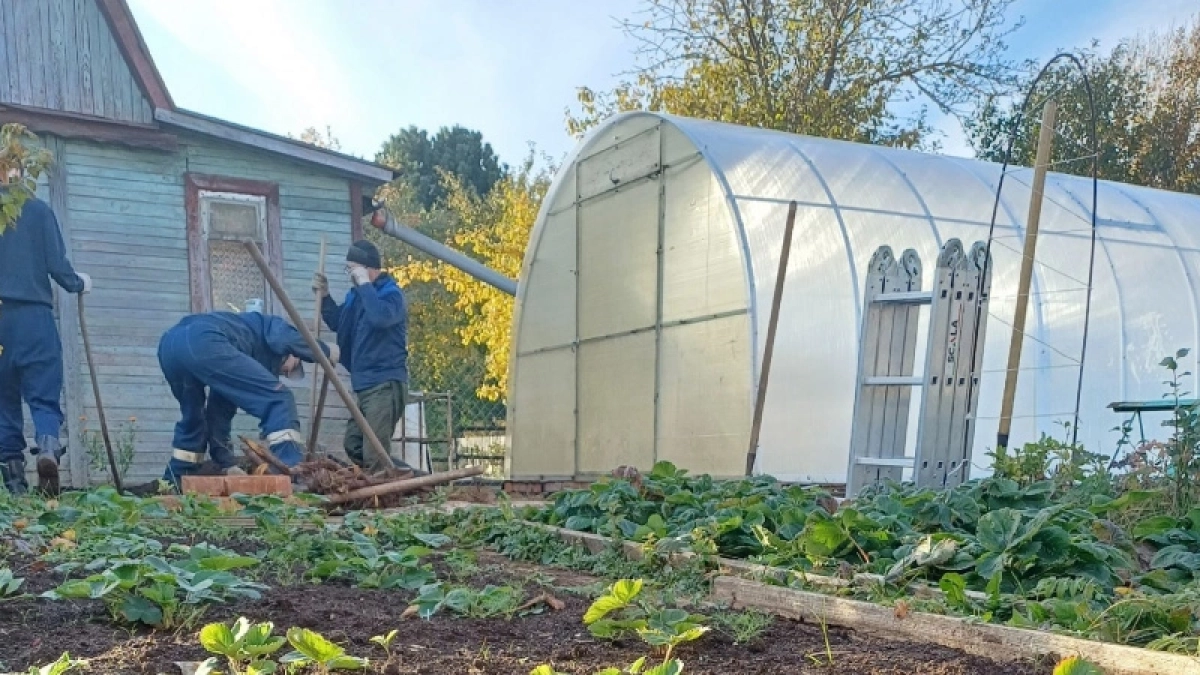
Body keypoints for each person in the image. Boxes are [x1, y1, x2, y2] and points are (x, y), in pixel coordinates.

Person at [157, 310, 339, 488]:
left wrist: (227, 464)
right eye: (290, 368)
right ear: (293, 353)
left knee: (194, 421)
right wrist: (326, 351)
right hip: (204, 339)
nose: (284, 372)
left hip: (169, 345)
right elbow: (285, 339)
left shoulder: (239, 345)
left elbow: (219, 415)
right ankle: (291, 473)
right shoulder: (270, 325)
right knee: (279, 399)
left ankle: (173, 481)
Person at [0, 190, 92, 495]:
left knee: (3, 401)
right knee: (43, 395)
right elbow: (56, 262)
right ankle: (48, 448)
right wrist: (78, 283)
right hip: (33, 317)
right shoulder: (37, 210)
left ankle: (15, 485)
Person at [312, 240, 418, 474]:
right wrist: (326, 297)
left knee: (374, 453)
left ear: (366, 268)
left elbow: (380, 318)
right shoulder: (357, 296)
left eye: (352, 269)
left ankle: (386, 494)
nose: (349, 274)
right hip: (363, 385)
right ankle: (407, 475)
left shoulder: (391, 294)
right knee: (354, 445)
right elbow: (341, 323)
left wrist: (363, 283)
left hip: (384, 383)